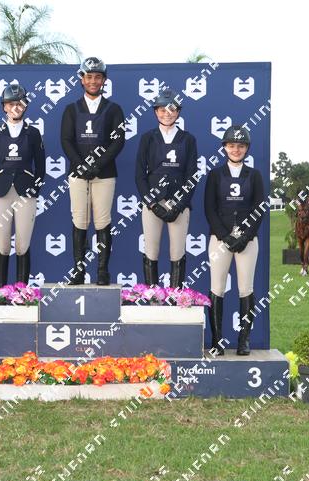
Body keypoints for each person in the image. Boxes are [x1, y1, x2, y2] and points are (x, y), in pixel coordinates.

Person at [60, 57, 126, 285]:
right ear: (82, 79)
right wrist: (81, 165)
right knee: (79, 219)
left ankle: (102, 271)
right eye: (89, 77)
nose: (93, 81)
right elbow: (66, 140)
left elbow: (118, 141)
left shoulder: (114, 109)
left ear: (104, 80)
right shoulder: (71, 109)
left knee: (102, 220)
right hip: (78, 174)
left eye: (98, 77)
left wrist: (98, 164)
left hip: (104, 173)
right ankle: (78, 271)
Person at [204, 126, 265, 356]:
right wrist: (224, 235)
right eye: (231, 145)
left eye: (240, 146)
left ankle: (244, 340)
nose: (236, 149)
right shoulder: (215, 174)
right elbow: (209, 208)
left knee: (246, 288)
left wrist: (245, 236)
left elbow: (259, 209)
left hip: (247, 241)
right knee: (217, 287)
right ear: (225, 147)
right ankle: (217, 340)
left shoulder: (254, 175)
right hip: (220, 239)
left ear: (247, 148)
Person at [135, 87, 198, 287]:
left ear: (178, 112)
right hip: (153, 201)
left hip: (179, 203)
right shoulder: (148, 138)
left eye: (172, 109)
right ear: (156, 112)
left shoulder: (188, 139)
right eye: (162, 109)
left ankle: (176, 297)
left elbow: (191, 176)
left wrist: (179, 205)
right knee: (151, 250)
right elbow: (139, 175)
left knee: (177, 251)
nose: (167, 114)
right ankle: (152, 297)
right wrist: (152, 204)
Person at [0, 83, 45, 287]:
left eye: (19, 103)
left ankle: (21, 294)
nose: (15, 107)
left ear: (25, 105)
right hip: (1, 194)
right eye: (11, 104)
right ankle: (0, 294)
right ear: (4, 106)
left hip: (25, 193)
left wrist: (33, 190)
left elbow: (41, 167)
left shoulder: (33, 133)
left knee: (22, 245)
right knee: (2, 245)